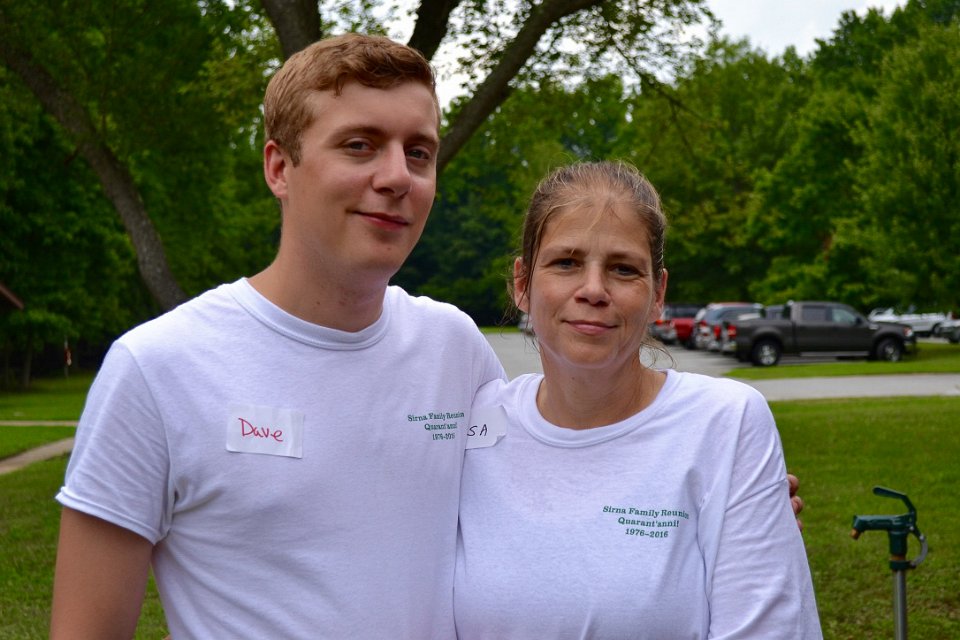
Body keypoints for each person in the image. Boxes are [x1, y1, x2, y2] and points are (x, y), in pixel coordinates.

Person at [50, 33, 505, 638]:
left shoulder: (456, 349)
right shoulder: (157, 367)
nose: (398, 176)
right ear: (279, 168)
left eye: (419, 152)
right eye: (360, 145)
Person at [454, 161, 822, 638]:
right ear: (522, 283)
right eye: (566, 262)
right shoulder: (471, 429)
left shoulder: (725, 423)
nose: (593, 290)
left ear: (657, 294)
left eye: (623, 269)